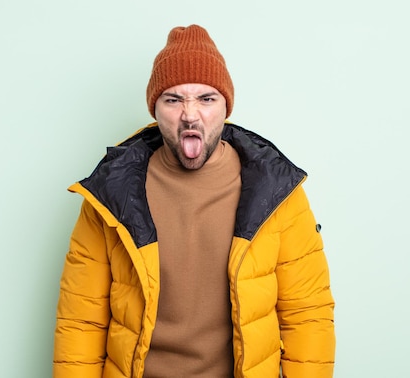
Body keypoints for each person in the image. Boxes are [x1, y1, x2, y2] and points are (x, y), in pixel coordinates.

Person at [53, 24, 335, 378]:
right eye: (173, 99)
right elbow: (81, 319)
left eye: (206, 98)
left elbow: (308, 314)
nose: (190, 114)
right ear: (155, 108)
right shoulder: (109, 195)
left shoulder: (277, 192)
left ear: (225, 107)